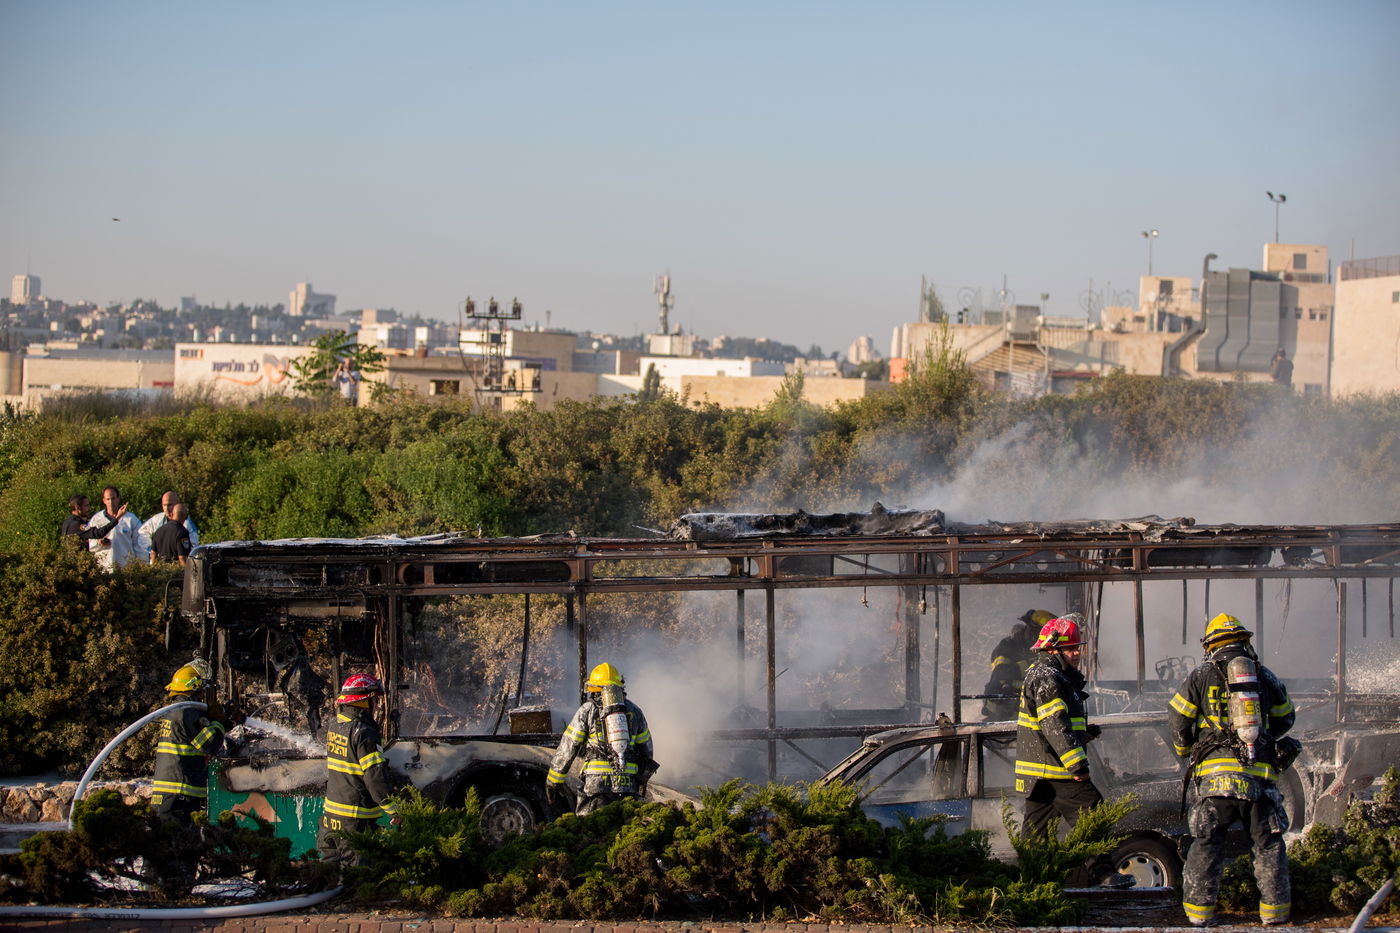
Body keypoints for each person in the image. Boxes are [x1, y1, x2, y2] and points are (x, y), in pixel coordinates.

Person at [1169, 613, 1297, 927]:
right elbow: (1286, 718)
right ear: (1245, 642)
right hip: (1258, 779)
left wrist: (1187, 752)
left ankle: (1199, 916)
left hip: (1215, 783)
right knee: (1267, 845)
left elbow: (1177, 719)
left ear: (1211, 645)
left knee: (1207, 844)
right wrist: (1262, 737)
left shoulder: (1200, 676)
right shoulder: (1264, 676)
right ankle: (1275, 914)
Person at [1014, 614, 1133, 887]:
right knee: (1091, 809)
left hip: (1041, 774)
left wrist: (1083, 735)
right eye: (1071, 648)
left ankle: (1031, 883)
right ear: (1053, 649)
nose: (1078, 653)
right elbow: (1055, 725)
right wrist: (1078, 766)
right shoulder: (1048, 677)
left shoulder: (1050, 676)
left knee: (1036, 832)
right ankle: (1104, 874)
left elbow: (1054, 724)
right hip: (1057, 771)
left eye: (1078, 647)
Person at [547, 662, 656, 815]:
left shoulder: (588, 709)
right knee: (625, 827)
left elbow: (568, 747)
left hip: (596, 784)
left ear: (594, 688)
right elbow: (647, 750)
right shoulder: (634, 711)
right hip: (628, 783)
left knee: (592, 830)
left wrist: (553, 781)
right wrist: (642, 780)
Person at [318, 673, 400, 868]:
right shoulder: (364, 733)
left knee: (331, 877)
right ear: (364, 702)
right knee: (359, 879)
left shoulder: (335, 725)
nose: (376, 705)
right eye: (373, 700)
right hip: (355, 821)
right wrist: (394, 810)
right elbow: (375, 778)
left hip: (330, 818)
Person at [152, 659, 241, 822]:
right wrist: (217, 721)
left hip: (171, 796)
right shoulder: (187, 712)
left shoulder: (177, 711)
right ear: (194, 687)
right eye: (201, 690)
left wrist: (224, 722)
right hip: (179, 796)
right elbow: (212, 744)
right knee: (183, 845)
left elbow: (202, 734)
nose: (202, 695)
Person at [982, 608, 1054, 720]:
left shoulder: (1042, 650)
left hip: (1033, 711)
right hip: (1002, 711)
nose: (1042, 640)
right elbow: (1001, 673)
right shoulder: (1007, 647)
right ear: (1030, 629)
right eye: (1041, 634)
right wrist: (1031, 664)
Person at [84, 485, 145, 570]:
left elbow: (140, 544)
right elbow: (90, 545)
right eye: (108, 499)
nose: (111, 502)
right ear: (104, 501)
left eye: (113, 498)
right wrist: (99, 542)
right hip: (104, 568)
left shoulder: (130, 519)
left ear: (118, 499)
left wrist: (142, 565)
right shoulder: (96, 519)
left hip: (126, 568)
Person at [139, 490, 200, 555]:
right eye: (164, 505)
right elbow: (142, 532)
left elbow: (194, 546)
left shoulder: (187, 523)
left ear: (177, 504)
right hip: (160, 561)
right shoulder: (157, 519)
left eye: (169, 505)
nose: (166, 509)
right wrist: (151, 550)